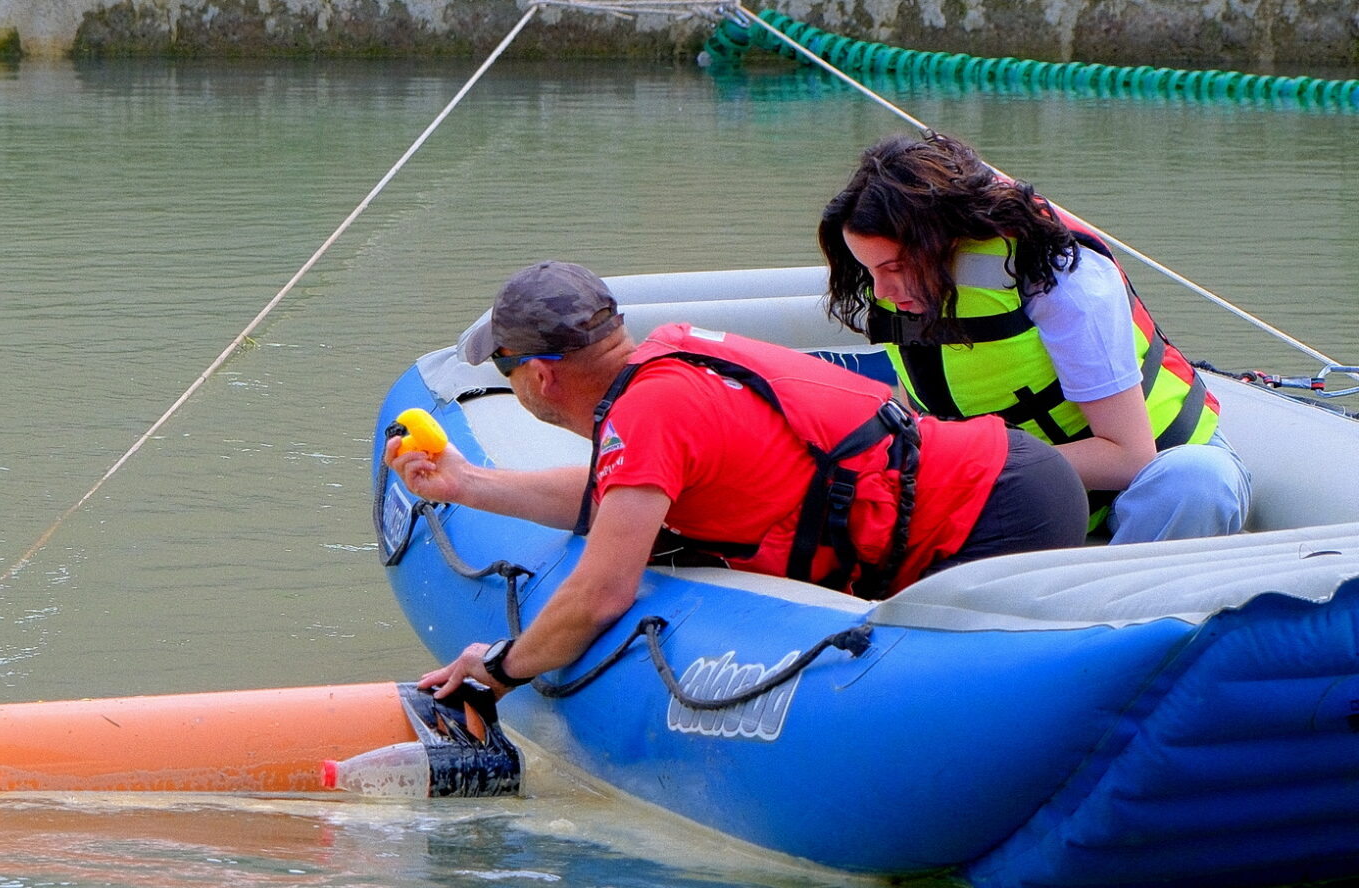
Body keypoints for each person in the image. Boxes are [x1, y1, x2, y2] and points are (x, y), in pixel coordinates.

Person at [395, 261, 1087, 699]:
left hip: (991, 514)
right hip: (1013, 477)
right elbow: (612, 501)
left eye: (506, 373)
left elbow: (603, 590)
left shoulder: (649, 411)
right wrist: (466, 484)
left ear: (540, 375)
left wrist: (502, 667)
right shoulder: (666, 364)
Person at [820, 132, 1248, 544]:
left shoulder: (1060, 275)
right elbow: (925, 411)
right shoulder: (906, 295)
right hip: (1029, 489)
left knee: (1198, 482)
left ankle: (1103, 609)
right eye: (871, 270)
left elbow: (1129, 457)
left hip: (1147, 473)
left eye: (894, 267)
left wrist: (974, 467)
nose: (881, 291)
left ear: (945, 241)